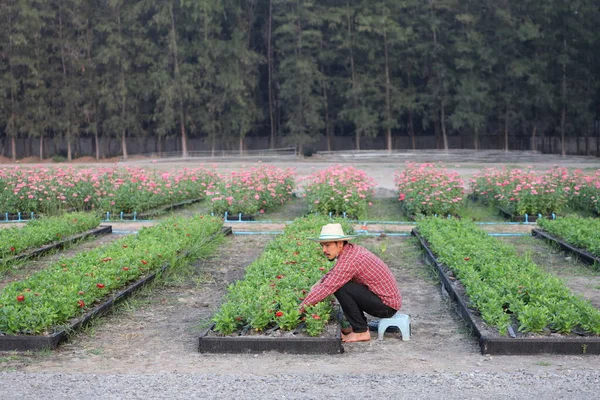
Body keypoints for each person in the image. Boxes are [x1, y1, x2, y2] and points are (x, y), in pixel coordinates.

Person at [299, 223, 402, 343]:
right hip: (382, 300)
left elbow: (328, 286)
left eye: (327, 245)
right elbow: (333, 273)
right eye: (322, 245)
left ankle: (361, 331)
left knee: (340, 287)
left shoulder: (350, 261)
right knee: (340, 284)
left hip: (386, 306)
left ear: (340, 243)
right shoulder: (351, 251)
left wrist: (300, 309)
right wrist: (318, 285)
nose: (324, 250)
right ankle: (357, 326)